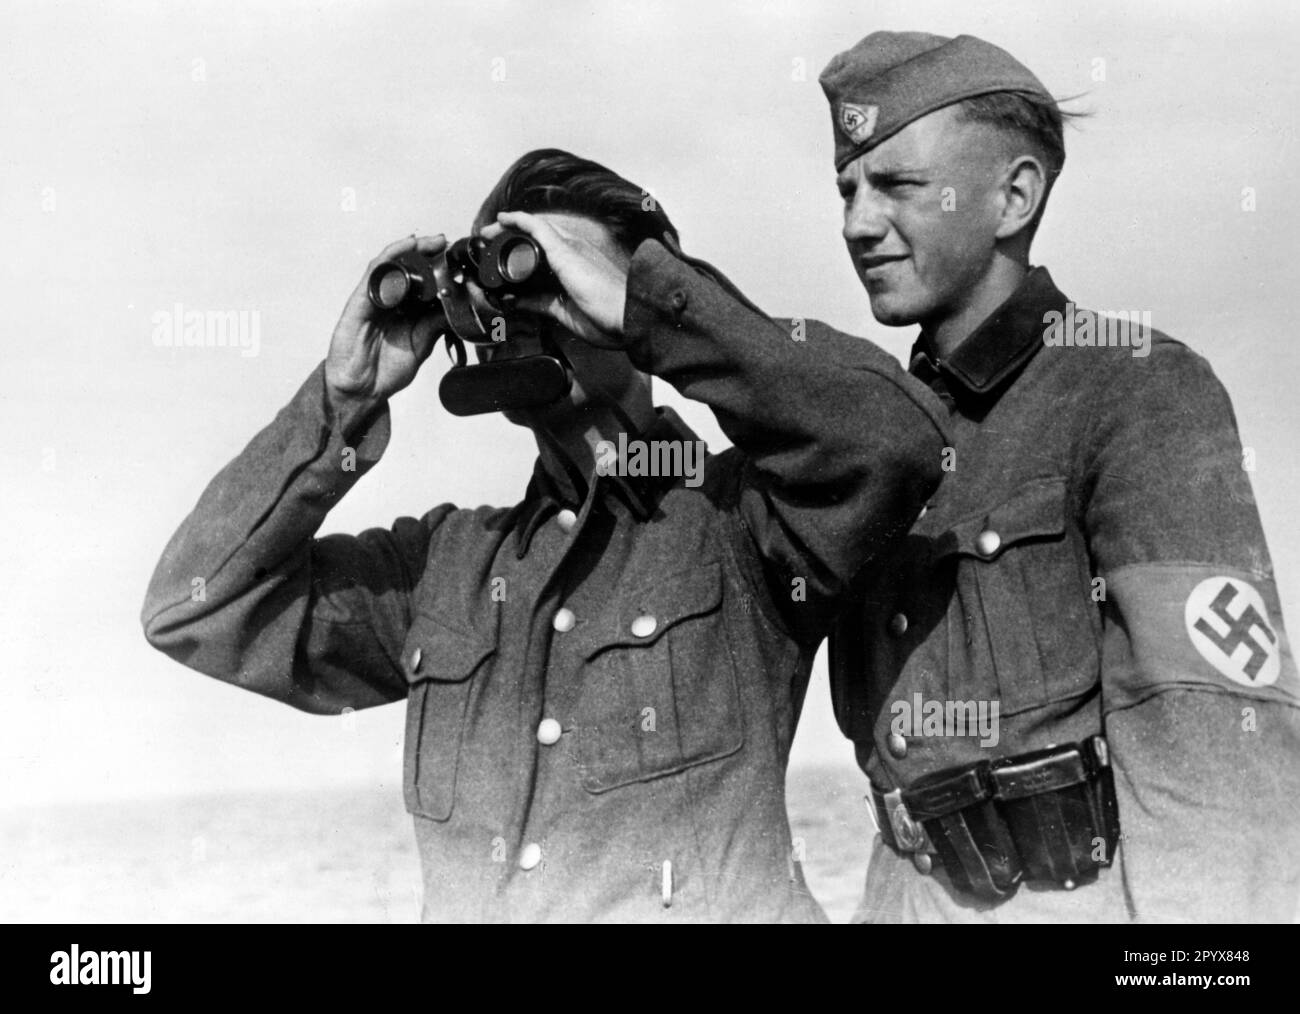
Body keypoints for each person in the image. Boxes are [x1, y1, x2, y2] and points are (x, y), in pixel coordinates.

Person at [141, 148, 948, 923]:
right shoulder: (445, 567)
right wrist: (340, 401)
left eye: (557, 276)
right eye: (514, 284)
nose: (530, 307)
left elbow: (897, 443)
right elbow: (195, 608)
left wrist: (660, 308)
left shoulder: (742, 523)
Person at [818, 31, 1300, 923]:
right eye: (846, 188)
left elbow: (1215, 753)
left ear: (1014, 195)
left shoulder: (1136, 384)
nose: (856, 221)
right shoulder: (877, 432)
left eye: (897, 186)